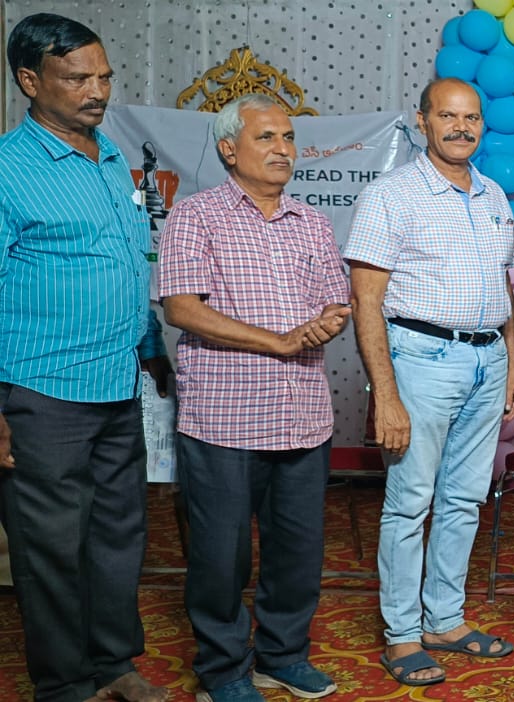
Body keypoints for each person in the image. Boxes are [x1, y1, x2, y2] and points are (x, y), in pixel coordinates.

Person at [0, 13, 172, 702]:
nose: (96, 90)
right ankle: (65, 683)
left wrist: (153, 350)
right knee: (51, 550)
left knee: (117, 534)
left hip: (116, 383)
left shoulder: (108, 155)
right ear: (30, 80)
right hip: (41, 392)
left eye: (103, 76)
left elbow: (130, 263)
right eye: (77, 78)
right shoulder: (8, 170)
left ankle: (114, 665)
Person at [158, 95, 351, 702]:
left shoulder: (311, 220)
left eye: (289, 138)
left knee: (298, 550)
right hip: (225, 418)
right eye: (266, 137)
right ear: (228, 149)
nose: (282, 150)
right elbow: (182, 307)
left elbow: (335, 302)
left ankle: (283, 656)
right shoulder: (197, 216)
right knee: (220, 557)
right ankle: (223, 670)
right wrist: (279, 341)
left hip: (303, 417)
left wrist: (328, 322)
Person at [344, 77, 514, 687]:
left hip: (487, 362)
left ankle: (445, 619)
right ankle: (401, 634)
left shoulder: (494, 195)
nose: (461, 127)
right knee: (410, 503)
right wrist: (386, 393)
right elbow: (366, 301)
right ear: (422, 121)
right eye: (447, 116)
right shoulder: (391, 195)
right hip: (420, 359)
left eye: (471, 118)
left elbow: (505, 291)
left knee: (464, 500)